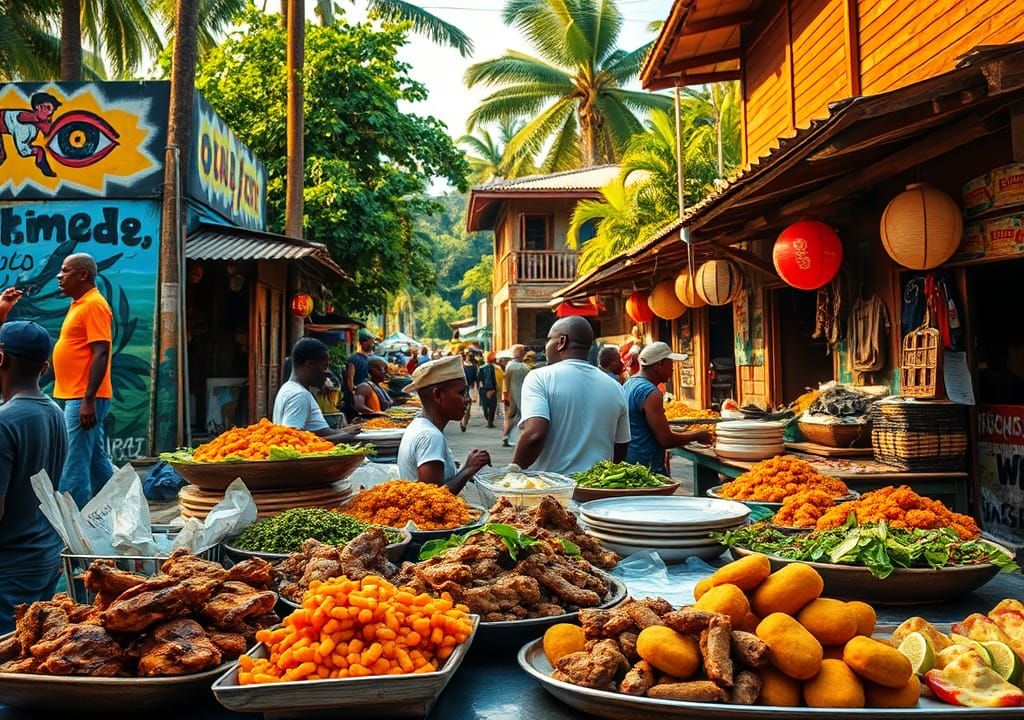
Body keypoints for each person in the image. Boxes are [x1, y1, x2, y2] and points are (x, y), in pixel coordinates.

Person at [0, 321, 69, 632]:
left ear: (1, 358)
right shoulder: (56, 413)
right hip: (45, 558)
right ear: (44, 368)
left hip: (11, 567)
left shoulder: (5, 422)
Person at [513, 317, 630, 475]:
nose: (546, 347)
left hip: (552, 487)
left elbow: (535, 434)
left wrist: (514, 469)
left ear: (562, 341)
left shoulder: (539, 378)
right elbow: (621, 444)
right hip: (596, 485)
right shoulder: (615, 387)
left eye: (549, 340)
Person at [51, 253, 116, 508]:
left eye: (65, 271)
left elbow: (101, 352)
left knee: (74, 460)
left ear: (83, 275)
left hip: (84, 396)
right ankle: (118, 509)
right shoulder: (80, 303)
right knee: (96, 462)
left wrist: (88, 399)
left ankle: (72, 519)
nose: (59, 276)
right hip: (79, 394)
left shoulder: (93, 305)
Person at [397, 356, 491, 493]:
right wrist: (468, 470)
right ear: (437, 395)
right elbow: (431, 498)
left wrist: (464, 467)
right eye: (461, 392)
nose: (468, 399)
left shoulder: (420, 425)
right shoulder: (430, 436)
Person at [624, 342, 712, 475]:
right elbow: (666, 439)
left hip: (630, 462)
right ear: (659, 364)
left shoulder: (629, 384)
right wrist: (697, 435)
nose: (673, 369)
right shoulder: (651, 393)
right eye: (671, 363)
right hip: (646, 468)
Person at [274, 338, 359, 443]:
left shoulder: (288, 388)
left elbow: (320, 432)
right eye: (324, 366)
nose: (327, 372)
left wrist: (345, 432)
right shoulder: (299, 395)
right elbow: (291, 439)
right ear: (310, 365)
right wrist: (343, 437)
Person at [344, 328, 376, 419]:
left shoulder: (370, 358)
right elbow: (350, 379)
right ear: (364, 342)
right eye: (371, 342)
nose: (373, 344)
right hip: (357, 399)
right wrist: (353, 395)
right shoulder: (354, 359)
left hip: (366, 396)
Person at [502, 344, 529, 447]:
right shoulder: (514, 366)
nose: (524, 353)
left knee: (515, 417)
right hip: (515, 395)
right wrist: (508, 395)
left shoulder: (522, 366)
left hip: (520, 395)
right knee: (514, 416)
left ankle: (509, 436)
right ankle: (507, 436)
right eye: (522, 351)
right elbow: (507, 382)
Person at [477, 352, 502, 428]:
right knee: (492, 407)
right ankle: (490, 421)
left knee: (486, 406)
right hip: (490, 389)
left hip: (485, 389)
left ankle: (489, 421)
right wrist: (492, 389)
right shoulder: (491, 367)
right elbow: (491, 380)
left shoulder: (482, 367)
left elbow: (479, 380)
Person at [459, 351, 478, 432]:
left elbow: (476, 379)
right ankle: (463, 422)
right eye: (468, 356)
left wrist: (476, 390)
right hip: (464, 388)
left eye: (470, 356)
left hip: (469, 388)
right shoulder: (462, 366)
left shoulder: (473, 367)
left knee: (468, 407)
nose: (469, 357)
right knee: (466, 406)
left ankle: (464, 422)